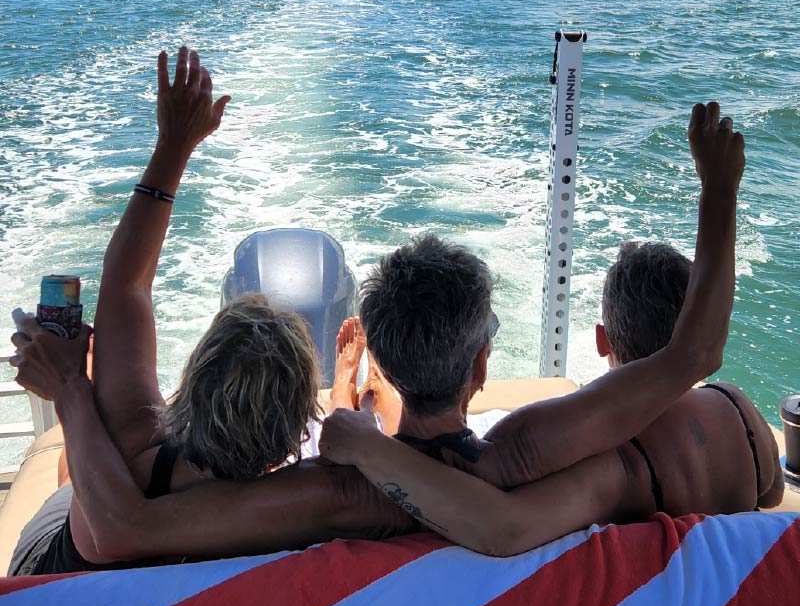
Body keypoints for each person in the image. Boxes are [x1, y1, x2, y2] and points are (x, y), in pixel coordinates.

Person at [10, 101, 780, 570]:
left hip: (60, 548)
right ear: (482, 366)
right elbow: (693, 354)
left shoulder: (148, 435)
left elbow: (126, 288)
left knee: (71, 475)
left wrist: (174, 145)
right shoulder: (469, 469)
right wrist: (719, 190)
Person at [8, 46, 324, 575]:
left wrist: (175, 146)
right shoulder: (297, 510)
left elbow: (126, 283)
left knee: (77, 465)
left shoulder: (137, 440)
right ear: (295, 429)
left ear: (193, 384)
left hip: (58, 570)